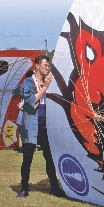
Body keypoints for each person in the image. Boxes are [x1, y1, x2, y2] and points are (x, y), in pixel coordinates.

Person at [12, 55, 65, 198]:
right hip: (31, 125)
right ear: (37, 65)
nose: (47, 68)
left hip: (46, 125)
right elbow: (30, 101)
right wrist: (45, 87)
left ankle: (54, 187)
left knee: (49, 157)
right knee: (27, 157)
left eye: (49, 66)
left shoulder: (50, 81)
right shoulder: (28, 82)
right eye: (45, 65)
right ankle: (24, 187)